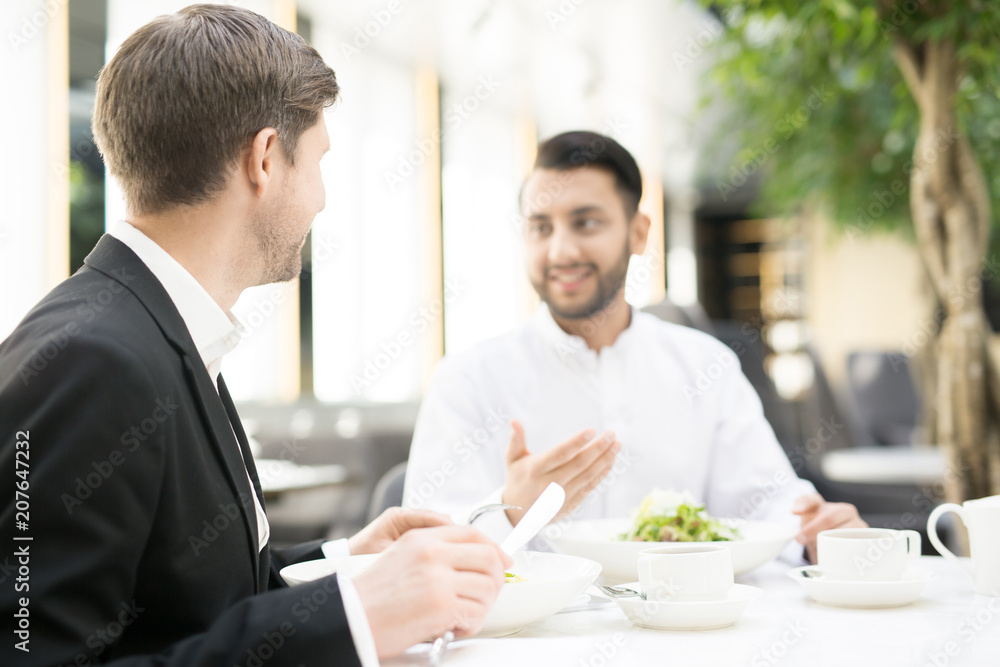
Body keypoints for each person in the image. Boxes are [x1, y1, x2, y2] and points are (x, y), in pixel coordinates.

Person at [0, 6, 509, 666]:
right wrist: (356, 616)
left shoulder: (160, 328)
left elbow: (196, 596)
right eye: (320, 161)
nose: (323, 197)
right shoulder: (91, 360)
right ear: (265, 158)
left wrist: (351, 565)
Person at [403, 130, 865, 562]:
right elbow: (425, 546)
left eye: (585, 223)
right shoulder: (467, 379)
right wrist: (509, 510)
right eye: (541, 227)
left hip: (686, 633)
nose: (561, 251)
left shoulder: (705, 366)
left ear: (639, 233)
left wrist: (815, 535)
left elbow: (765, 505)